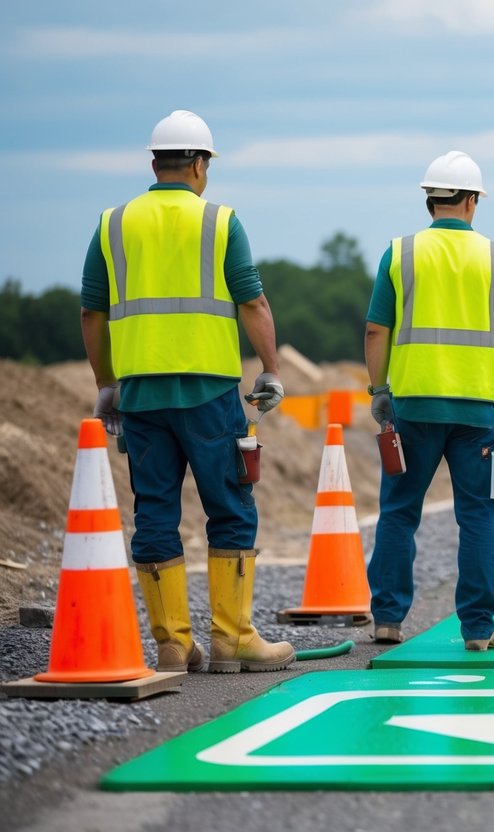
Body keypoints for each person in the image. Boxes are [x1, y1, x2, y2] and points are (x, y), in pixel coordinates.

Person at [80, 110, 294, 674]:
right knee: (229, 507)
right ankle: (233, 639)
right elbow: (252, 301)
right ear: (199, 164)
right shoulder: (220, 222)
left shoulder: (112, 223)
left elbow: (91, 311)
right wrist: (270, 369)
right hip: (208, 392)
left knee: (154, 511)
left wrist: (106, 385)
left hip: (141, 397)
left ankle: (172, 645)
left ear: (155, 163)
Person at [365, 151, 494, 651]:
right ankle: (479, 629)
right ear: (470, 200)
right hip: (478, 413)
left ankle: (388, 619)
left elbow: (377, 328)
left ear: (429, 199)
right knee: (478, 518)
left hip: (413, 405)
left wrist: (379, 390)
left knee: (399, 512)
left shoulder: (399, 254)